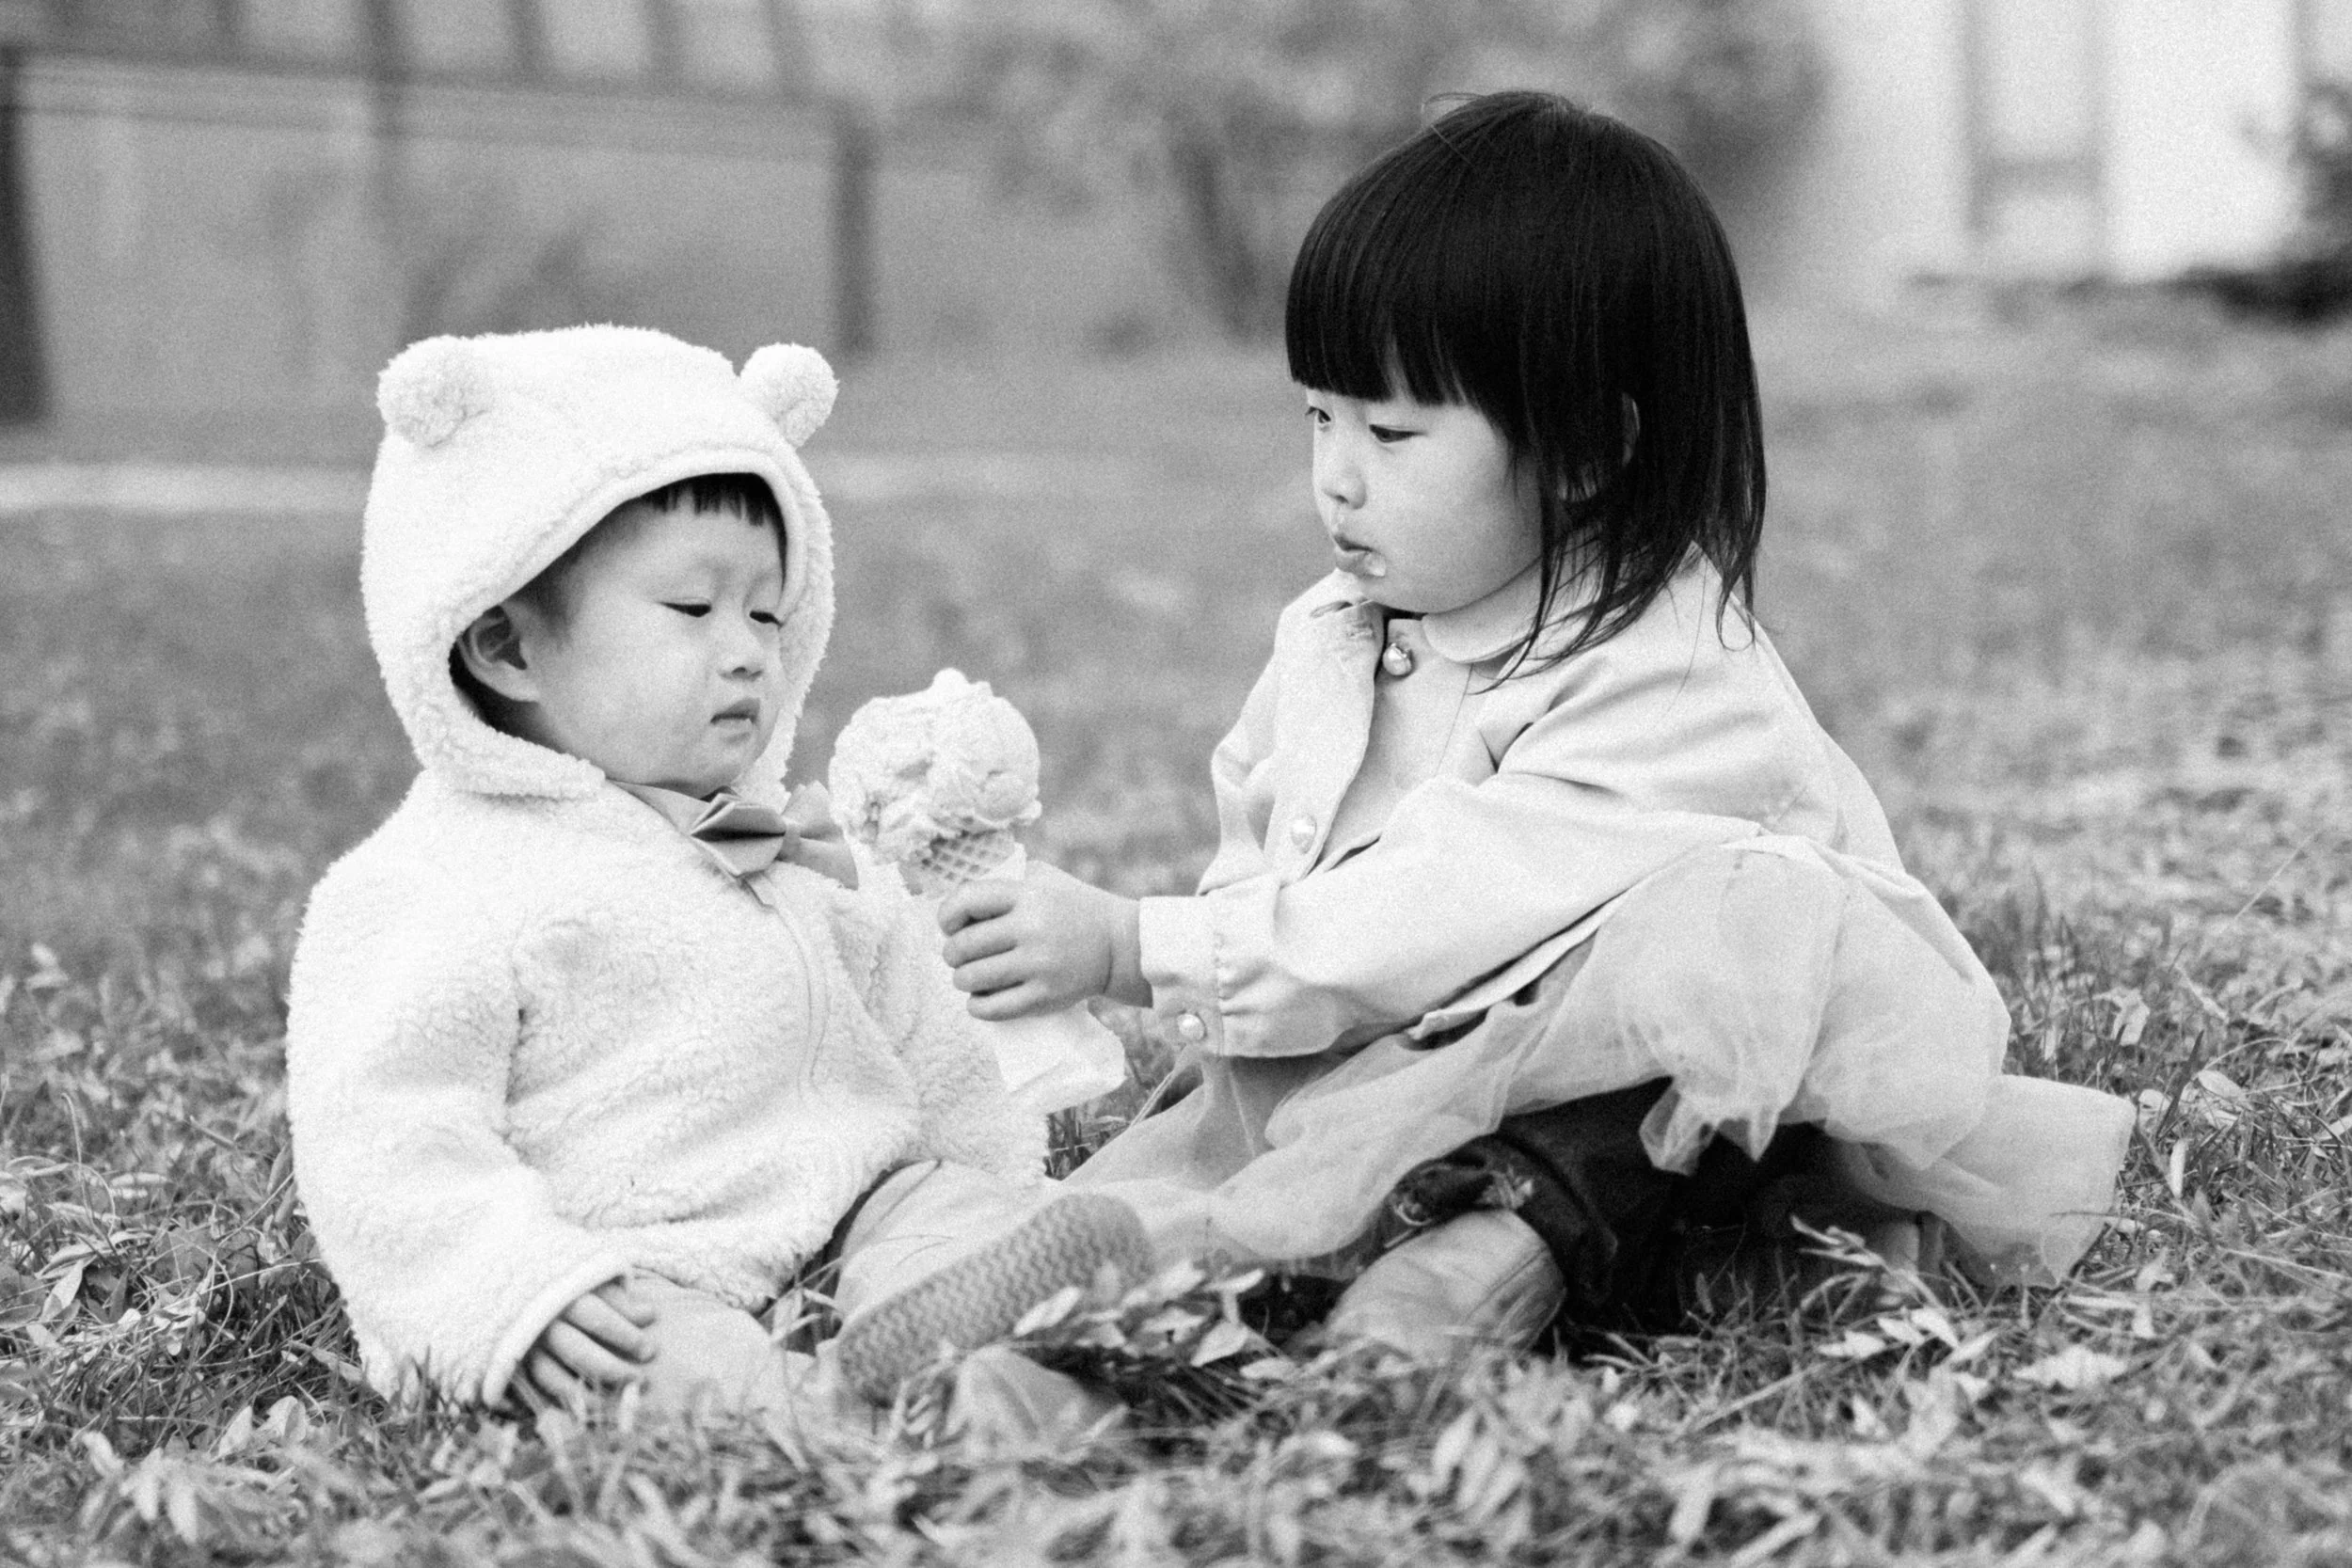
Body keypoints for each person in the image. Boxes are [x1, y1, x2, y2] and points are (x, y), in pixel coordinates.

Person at [937, 92, 2137, 1358]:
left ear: (1580, 449)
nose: (1336, 473)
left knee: (1706, 972)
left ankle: (1492, 1259)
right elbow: (1271, 833)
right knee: (1248, 1157)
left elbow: (1442, 907)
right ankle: (1141, 1274)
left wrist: (1142, 946)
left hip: (1705, 1105)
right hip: (1432, 1041)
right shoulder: (1342, 629)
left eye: (1393, 431)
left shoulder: (1665, 667)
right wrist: (1250, 992)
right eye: (1317, 416)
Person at [285, 325, 1151, 1435]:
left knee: (938, 1217)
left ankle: (979, 1312)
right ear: (504, 645)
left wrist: (991, 1180)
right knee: (662, 1362)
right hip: (627, 1265)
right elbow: (382, 1133)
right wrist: (504, 1285)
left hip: (852, 1212)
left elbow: (922, 1040)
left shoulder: (788, 847)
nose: (749, 650)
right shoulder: (436, 882)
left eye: (768, 612)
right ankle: (832, 1419)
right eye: (694, 610)